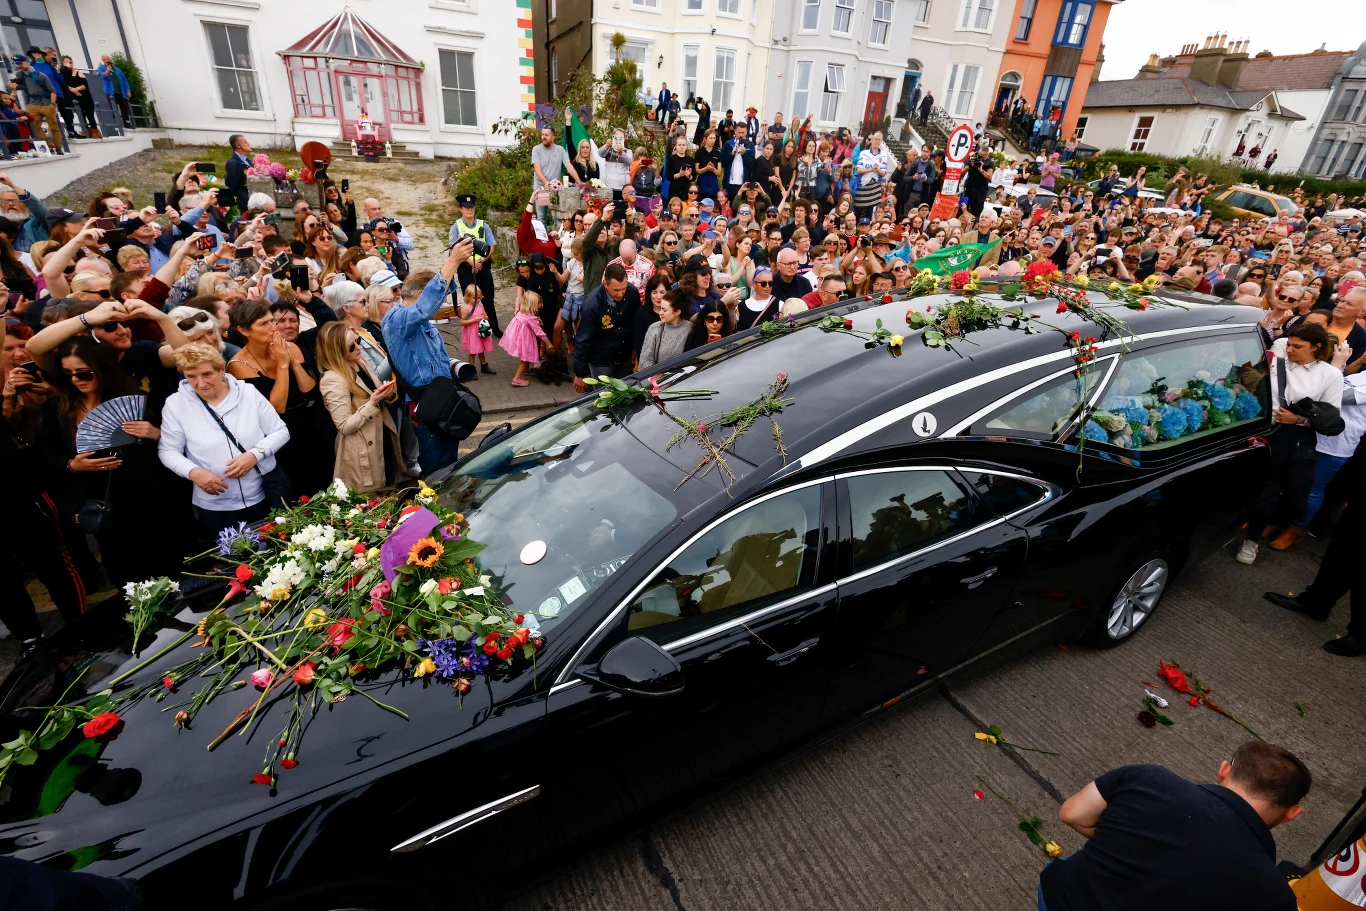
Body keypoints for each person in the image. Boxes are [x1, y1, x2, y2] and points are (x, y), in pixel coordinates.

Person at [1041, 741, 1311, 911]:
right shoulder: (1272, 893)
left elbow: (1073, 814)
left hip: (1059, 897)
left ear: (1224, 770)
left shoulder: (1147, 778)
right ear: (1292, 813)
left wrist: (1128, 841)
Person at [36, 336, 191, 589]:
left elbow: (178, 442)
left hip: (150, 498)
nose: (76, 380)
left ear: (102, 369)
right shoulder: (57, 408)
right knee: (126, 573)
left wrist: (155, 433)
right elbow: (46, 452)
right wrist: (72, 465)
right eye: (68, 374)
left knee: (168, 563)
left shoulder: (137, 398)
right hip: (102, 502)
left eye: (84, 373)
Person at [1237, 323, 1343, 565]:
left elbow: (1331, 416)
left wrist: (1299, 419)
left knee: (1272, 487)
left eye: (1298, 346)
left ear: (1316, 347)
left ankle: (1251, 541)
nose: (1291, 349)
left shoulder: (1330, 375)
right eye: (1289, 344)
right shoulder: (1275, 361)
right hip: (1255, 427)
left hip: (1289, 435)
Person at [159, 343, 289, 536]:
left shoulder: (248, 393)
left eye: (207, 374)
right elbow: (168, 450)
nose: (200, 384)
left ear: (221, 370)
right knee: (235, 559)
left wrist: (254, 455)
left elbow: (280, 431)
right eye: (191, 377)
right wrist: (193, 472)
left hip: (262, 493)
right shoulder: (175, 404)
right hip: (216, 504)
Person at [382, 238, 474, 472]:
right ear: (423, 293)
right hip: (428, 411)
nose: (439, 304)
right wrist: (452, 260)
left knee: (448, 465)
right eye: (437, 297)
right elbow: (425, 308)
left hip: (442, 403)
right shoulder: (395, 320)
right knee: (437, 473)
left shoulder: (419, 322)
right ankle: (434, 508)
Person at [227, 298, 332, 499]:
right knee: (296, 496)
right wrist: (282, 365)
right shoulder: (239, 364)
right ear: (244, 330)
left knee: (325, 488)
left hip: (310, 427)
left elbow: (309, 389)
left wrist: (292, 361)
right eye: (263, 324)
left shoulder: (289, 347)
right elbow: (277, 407)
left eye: (271, 321)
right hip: (280, 436)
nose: (273, 327)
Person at [315, 321, 401, 492]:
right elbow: (344, 426)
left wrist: (388, 394)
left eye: (358, 341)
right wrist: (372, 403)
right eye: (351, 346)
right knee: (372, 501)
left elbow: (375, 392)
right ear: (337, 351)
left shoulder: (359, 362)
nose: (358, 348)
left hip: (380, 437)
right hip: (362, 452)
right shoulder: (332, 380)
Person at [573, 262, 640, 391]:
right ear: (605, 284)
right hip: (601, 360)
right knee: (603, 396)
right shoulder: (592, 305)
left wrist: (634, 348)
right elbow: (583, 340)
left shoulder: (632, 292)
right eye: (615, 290)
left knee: (624, 395)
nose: (620, 294)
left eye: (623, 289)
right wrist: (580, 373)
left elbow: (635, 323)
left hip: (624, 357)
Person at [449, 193, 500, 337]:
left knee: (488, 298)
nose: (469, 210)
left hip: (482, 266)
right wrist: (470, 261)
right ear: (460, 209)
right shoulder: (456, 226)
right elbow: (453, 248)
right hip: (466, 267)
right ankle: (472, 328)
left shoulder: (483, 225)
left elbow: (492, 247)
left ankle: (494, 327)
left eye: (471, 207)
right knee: (470, 299)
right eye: (466, 207)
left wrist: (480, 261)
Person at [11, 56, 62, 155]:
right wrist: (14, 87)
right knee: (35, 126)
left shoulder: (40, 75)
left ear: (26, 62)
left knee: (53, 126)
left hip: (46, 103)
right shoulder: (20, 75)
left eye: (20, 63)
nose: (19, 66)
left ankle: (58, 147)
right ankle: (47, 146)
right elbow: (22, 86)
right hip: (33, 103)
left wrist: (52, 104)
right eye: (18, 64)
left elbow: (52, 91)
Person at [500, 289, 549, 387]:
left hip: (518, 337)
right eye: (538, 303)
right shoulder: (531, 317)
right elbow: (539, 333)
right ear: (532, 304)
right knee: (525, 358)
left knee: (525, 356)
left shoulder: (522, 312)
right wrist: (550, 345)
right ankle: (516, 379)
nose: (541, 305)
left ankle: (526, 370)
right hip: (524, 339)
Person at [637, 291, 690, 371]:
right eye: (660, 309)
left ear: (677, 312)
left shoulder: (690, 329)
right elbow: (645, 362)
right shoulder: (654, 329)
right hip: (658, 379)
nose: (660, 313)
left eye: (665, 310)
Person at [531, 126, 574, 223]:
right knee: (542, 218)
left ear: (553, 137)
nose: (543, 137)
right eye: (542, 134)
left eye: (546, 135)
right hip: (542, 188)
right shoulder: (536, 150)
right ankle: (543, 238)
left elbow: (569, 166)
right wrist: (546, 182)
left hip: (555, 189)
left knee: (557, 218)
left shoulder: (560, 150)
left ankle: (556, 237)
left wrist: (579, 181)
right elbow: (537, 170)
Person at [459, 282, 495, 376]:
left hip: (480, 331)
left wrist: (483, 317)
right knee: (473, 352)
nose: (477, 300)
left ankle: (484, 366)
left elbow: (487, 316)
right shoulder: (466, 308)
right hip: (472, 333)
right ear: (468, 297)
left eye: (479, 298)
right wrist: (474, 320)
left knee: (481, 349)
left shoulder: (480, 305)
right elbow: (462, 322)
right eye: (475, 298)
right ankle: (472, 369)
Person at [96, 54, 132, 128]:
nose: (107, 60)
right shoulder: (101, 68)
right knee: (113, 107)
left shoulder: (117, 69)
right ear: (103, 61)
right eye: (105, 59)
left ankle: (126, 122)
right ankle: (118, 121)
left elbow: (124, 80)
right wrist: (107, 71)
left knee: (125, 107)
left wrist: (128, 90)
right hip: (111, 92)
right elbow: (102, 76)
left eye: (108, 59)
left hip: (121, 92)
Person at [224, 134, 252, 213]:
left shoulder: (248, 161)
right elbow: (231, 185)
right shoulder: (233, 163)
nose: (249, 144)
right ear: (238, 145)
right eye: (245, 142)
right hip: (244, 202)